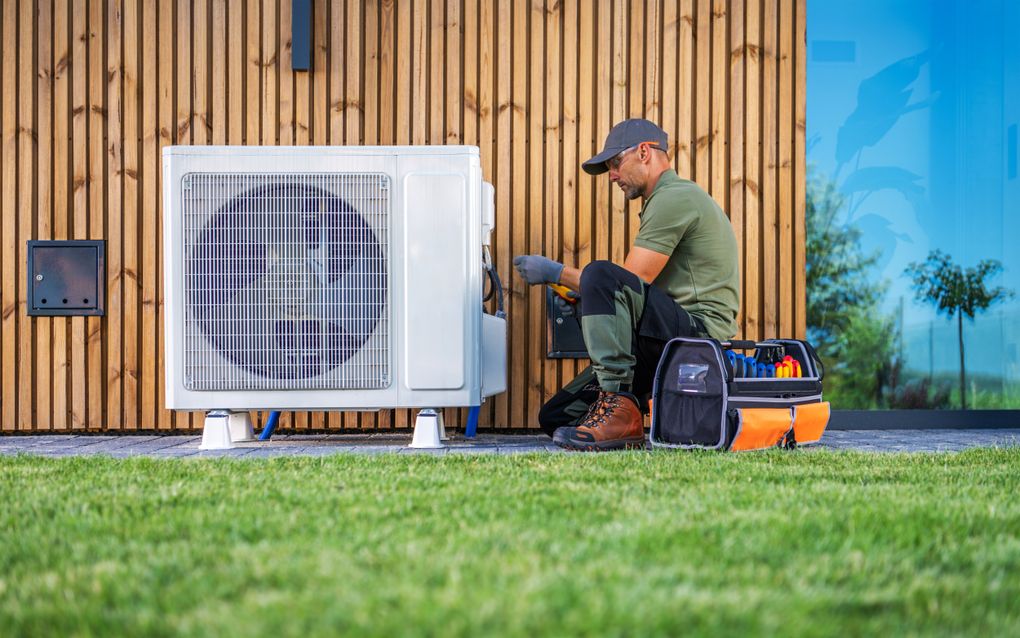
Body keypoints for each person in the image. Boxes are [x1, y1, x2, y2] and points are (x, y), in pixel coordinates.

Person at [513, 118, 740, 451]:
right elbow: (633, 294)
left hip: (698, 339)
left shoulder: (674, 197)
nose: (613, 175)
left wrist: (555, 272)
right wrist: (586, 295)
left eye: (616, 163)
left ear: (645, 152)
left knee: (601, 274)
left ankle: (619, 404)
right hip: (664, 338)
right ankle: (621, 410)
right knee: (558, 416)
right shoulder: (662, 200)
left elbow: (630, 280)